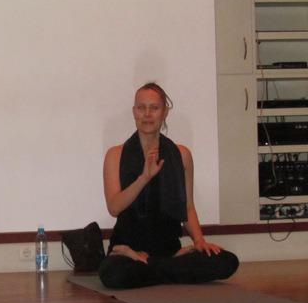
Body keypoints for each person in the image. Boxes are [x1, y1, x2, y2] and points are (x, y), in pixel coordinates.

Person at [98, 83, 239, 289]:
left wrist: (199, 241)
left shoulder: (181, 155)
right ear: (134, 111)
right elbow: (114, 207)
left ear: (165, 112)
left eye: (154, 108)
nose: (147, 114)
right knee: (113, 273)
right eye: (141, 108)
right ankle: (164, 267)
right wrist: (144, 178)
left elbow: (188, 207)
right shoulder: (115, 155)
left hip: (170, 250)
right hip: (126, 251)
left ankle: (152, 264)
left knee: (227, 262)